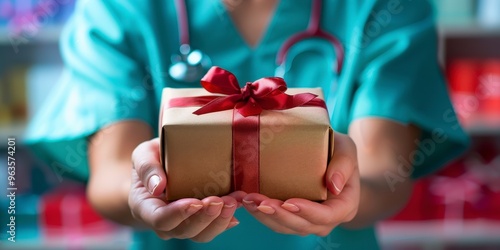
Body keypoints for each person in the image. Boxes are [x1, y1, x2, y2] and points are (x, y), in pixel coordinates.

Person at [26, 0, 469, 249]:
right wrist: (139, 188)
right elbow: (110, 177)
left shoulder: (386, 8)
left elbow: (385, 176)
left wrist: (349, 193)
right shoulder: (118, 9)